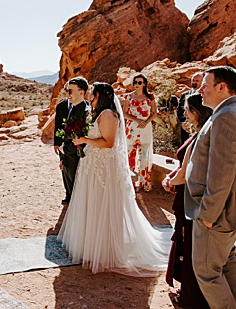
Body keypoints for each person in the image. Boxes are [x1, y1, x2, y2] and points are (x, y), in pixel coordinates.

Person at [57, 82, 170, 276]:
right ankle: (91, 244)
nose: (90, 96)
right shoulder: (100, 114)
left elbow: (108, 143)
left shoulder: (108, 114)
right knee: (93, 203)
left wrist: (84, 140)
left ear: (102, 95)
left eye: (93, 93)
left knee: (102, 204)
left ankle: (105, 249)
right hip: (93, 164)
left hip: (102, 166)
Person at [184, 66, 236, 309]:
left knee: (207, 273)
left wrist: (208, 213)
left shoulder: (227, 116)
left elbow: (222, 171)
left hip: (218, 214)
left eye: (205, 86)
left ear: (221, 87)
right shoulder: (235, 111)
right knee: (225, 263)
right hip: (229, 211)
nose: (200, 90)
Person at [162, 93, 212, 309]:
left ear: (198, 112)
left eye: (188, 109)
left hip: (191, 198)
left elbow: (186, 173)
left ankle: (191, 298)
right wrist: (172, 176)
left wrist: (170, 181)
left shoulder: (202, 136)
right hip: (187, 194)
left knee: (191, 246)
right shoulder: (200, 133)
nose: (185, 113)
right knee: (187, 244)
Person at [53, 77, 90, 204]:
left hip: (75, 151)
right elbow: (59, 125)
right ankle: (69, 194)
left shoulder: (86, 111)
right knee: (65, 171)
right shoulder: (65, 107)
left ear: (81, 92)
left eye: (70, 91)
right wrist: (58, 145)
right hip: (65, 148)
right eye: (67, 91)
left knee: (75, 175)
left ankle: (74, 199)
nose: (67, 94)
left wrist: (67, 148)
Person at [122, 73, 157, 192]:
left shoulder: (150, 97)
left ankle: (143, 182)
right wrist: (137, 120)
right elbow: (125, 113)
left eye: (139, 82)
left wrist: (146, 122)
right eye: (135, 82)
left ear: (144, 84)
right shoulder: (128, 97)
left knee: (144, 156)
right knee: (130, 155)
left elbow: (154, 112)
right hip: (132, 128)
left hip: (145, 129)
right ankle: (131, 182)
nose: (137, 85)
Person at [177, 72, 203, 144]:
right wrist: (184, 122)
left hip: (200, 126)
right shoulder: (185, 95)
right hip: (186, 127)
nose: (194, 82)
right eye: (193, 80)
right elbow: (180, 110)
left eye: (197, 81)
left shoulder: (205, 95)